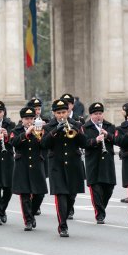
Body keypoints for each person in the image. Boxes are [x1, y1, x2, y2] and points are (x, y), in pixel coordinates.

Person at [43, 99, 86, 237]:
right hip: (57, 165)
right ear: (54, 113)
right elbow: (44, 144)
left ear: (68, 112)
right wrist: (55, 130)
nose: (62, 115)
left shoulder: (76, 124)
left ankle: (65, 215)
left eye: (64, 112)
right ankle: (62, 226)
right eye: (59, 113)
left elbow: (85, 143)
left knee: (71, 196)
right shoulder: (49, 126)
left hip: (73, 165)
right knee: (61, 195)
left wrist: (77, 132)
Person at [10, 107, 48, 231]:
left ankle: (31, 214)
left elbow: (45, 145)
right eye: (26, 119)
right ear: (22, 119)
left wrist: (42, 133)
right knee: (25, 194)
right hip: (22, 165)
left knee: (40, 194)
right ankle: (28, 220)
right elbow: (13, 142)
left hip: (37, 164)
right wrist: (26, 133)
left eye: (31, 118)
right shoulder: (16, 130)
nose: (29, 121)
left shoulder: (40, 129)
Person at [82, 102, 116, 224]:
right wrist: (95, 140)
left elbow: (117, 141)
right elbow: (84, 143)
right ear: (91, 115)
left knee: (109, 189)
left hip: (107, 163)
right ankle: (100, 214)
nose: (98, 116)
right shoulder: (85, 127)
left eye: (100, 113)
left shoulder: (109, 126)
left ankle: (101, 208)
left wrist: (108, 136)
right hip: (93, 162)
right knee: (96, 189)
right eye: (96, 114)